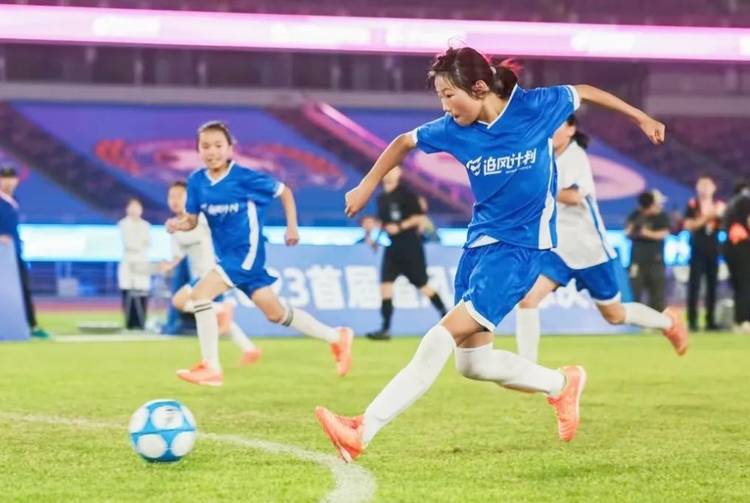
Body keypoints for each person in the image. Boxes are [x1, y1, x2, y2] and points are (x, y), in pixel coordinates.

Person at [314, 46, 665, 462]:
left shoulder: (534, 108)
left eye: (449, 95)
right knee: (473, 365)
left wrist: (640, 117)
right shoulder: (453, 129)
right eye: (440, 97)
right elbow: (404, 141)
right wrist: (367, 185)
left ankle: (362, 428)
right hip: (477, 248)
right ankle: (561, 384)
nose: (445, 106)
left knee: (438, 337)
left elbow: (585, 91)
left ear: (479, 88)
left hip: (520, 251)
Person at [166, 121, 353, 387]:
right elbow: (192, 221)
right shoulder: (196, 181)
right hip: (226, 258)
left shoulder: (245, 177)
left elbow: (284, 192)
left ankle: (211, 367)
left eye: (218, 145)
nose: (212, 151)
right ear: (198, 150)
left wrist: (291, 227)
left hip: (247, 254)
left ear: (230, 149)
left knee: (200, 295)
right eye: (205, 146)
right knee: (276, 314)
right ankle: (337, 337)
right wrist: (178, 224)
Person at [515, 116, 687, 363]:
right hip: (557, 249)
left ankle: (668, 322)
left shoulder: (576, 156)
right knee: (527, 299)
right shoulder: (543, 157)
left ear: (571, 129)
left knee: (614, 314)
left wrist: (535, 189)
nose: (549, 131)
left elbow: (574, 197)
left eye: (556, 125)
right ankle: (527, 369)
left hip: (589, 250)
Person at [161, 180, 261, 365]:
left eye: (179, 196)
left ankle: (224, 309)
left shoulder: (200, 218)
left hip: (211, 273)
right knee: (214, 315)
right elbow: (178, 254)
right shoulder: (174, 227)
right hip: (198, 275)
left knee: (179, 301)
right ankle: (249, 349)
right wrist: (170, 264)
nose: (174, 200)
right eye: (171, 196)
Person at [366, 166, 447, 340]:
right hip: (392, 246)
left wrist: (400, 226)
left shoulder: (407, 195)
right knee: (385, 285)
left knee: (422, 284)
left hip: (410, 245)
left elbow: (420, 217)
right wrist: (375, 238)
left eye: (392, 170)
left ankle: (446, 315)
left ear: (399, 173)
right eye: (387, 170)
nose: (388, 172)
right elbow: (382, 222)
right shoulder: (381, 198)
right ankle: (385, 328)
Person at [0, 166, 51, 339]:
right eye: (4, 178)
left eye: (11, 178)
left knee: (23, 289)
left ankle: (32, 326)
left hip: (14, 255)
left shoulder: (13, 201)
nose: (8, 182)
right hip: (2, 257)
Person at [682, 176, 725, 331]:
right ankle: (692, 321)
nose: (705, 189)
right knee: (694, 286)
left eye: (708, 185)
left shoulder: (719, 205)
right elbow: (688, 225)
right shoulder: (693, 204)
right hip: (697, 249)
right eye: (702, 185)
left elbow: (725, 225)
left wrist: (718, 215)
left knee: (712, 286)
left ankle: (710, 321)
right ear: (697, 188)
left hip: (713, 249)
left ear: (714, 188)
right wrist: (708, 217)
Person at [626, 190, 671, 312]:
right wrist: (635, 227)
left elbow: (663, 234)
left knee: (657, 297)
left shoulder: (662, 217)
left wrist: (645, 233)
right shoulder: (636, 215)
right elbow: (628, 232)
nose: (660, 205)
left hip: (655, 262)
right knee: (634, 294)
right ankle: (635, 321)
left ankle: (657, 320)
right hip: (637, 261)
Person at [118, 198, 151, 330]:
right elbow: (129, 243)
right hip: (128, 260)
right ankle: (129, 323)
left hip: (142, 261)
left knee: (142, 291)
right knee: (127, 291)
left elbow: (147, 243)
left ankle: (141, 322)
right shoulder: (123, 224)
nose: (134, 210)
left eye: (137, 208)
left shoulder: (146, 225)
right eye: (132, 207)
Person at [723, 180, 750, 332]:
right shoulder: (745, 200)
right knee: (745, 284)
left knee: (740, 285)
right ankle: (744, 320)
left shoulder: (732, 203)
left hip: (731, 247)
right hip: (742, 247)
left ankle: (739, 320)